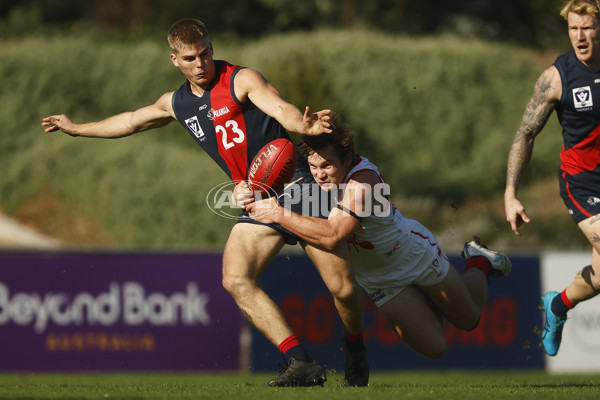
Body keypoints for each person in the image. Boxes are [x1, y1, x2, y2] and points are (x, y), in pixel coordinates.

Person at [41, 18, 368, 387]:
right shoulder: (176, 103)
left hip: (298, 188)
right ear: (174, 60)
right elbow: (131, 121)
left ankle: (354, 347)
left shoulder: (241, 80)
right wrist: (77, 128)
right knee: (234, 277)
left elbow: (279, 108)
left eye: (206, 53)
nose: (201, 63)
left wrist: (303, 126)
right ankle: (299, 361)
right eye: (191, 57)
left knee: (341, 287)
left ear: (212, 48)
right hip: (257, 200)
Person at [246, 113, 512, 360]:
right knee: (436, 349)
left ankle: (479, 260)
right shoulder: (314, 176)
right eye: (314, 166)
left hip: (414, 255)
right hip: (378, 280)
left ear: (348, 159)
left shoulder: (363, 181)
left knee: (469, 321)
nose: (319, 174)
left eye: (327, 165)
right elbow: (268, 179)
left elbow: (333, 235)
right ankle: (427, 301)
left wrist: (278, 214)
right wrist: (244, 192)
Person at [505, 0, 600, 357]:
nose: (580, 36)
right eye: (574, 28)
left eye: (587, 28)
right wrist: (510, 193)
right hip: (583, 184)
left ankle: (557, 306)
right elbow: (524, 135)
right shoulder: (556, 78)